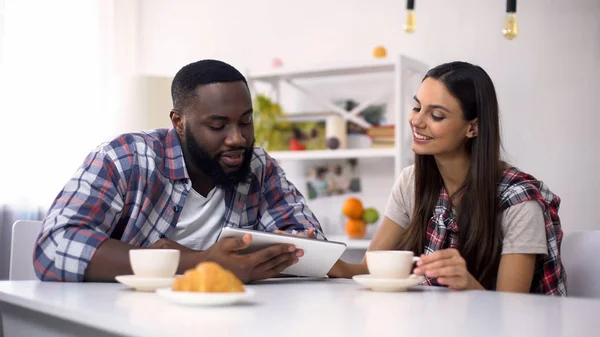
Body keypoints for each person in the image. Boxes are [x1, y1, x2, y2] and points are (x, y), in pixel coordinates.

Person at [34, 59, 324, 283]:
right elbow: (54, 246)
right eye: (217, 126)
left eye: (246, 121)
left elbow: (311, 247)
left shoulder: (259, 166)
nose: (238, 138)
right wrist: (197, 262)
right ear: (179, 122)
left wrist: (296, 249)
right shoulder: (125, 158)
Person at [328, 61, 566, 295]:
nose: (417, 121)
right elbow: (368, 268)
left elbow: (513, 311)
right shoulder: (411, 182)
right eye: (417, 107)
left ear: (473, 128)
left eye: (437, 115)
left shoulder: (519, 202)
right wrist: (323, 261)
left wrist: (467, 284)